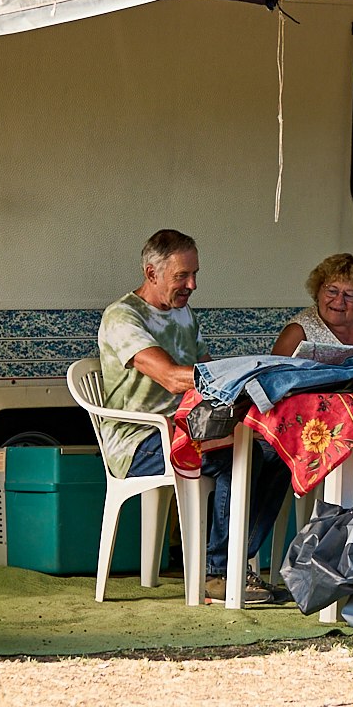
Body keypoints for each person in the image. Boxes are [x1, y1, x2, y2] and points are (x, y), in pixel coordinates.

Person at [96, 228, 286, 576]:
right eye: (182, 275)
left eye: (195, 274)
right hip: (139, 441)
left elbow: (208, 376)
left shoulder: (185, 313)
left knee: (277, 454)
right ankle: (217, 570)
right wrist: (239, 374)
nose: (192, 284)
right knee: (242, 456)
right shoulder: (123, 317)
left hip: (187, 428)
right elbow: (171, 377)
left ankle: (231, 562)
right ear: (151, 273)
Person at [271, 251, 353, 356]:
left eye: (349, 294)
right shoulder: (298, 332)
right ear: (318, 291)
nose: (339, 301)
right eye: (332, 291)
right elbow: (273, 381)